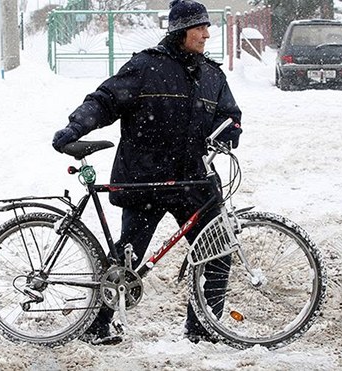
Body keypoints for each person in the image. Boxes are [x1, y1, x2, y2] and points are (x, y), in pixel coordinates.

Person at [52, 0, 242, 345]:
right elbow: (105, 100)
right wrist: (75, 126)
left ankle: (203, 329)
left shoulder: (213, 75)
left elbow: (230, 114)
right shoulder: (146, 66)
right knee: (127, 257)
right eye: (199, 27)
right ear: (180, 31)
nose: (206, 33)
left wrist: (230, 129)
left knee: (217, 251)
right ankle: (97, 325)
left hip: (193, 181)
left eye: (206, 26)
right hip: (146, 178)